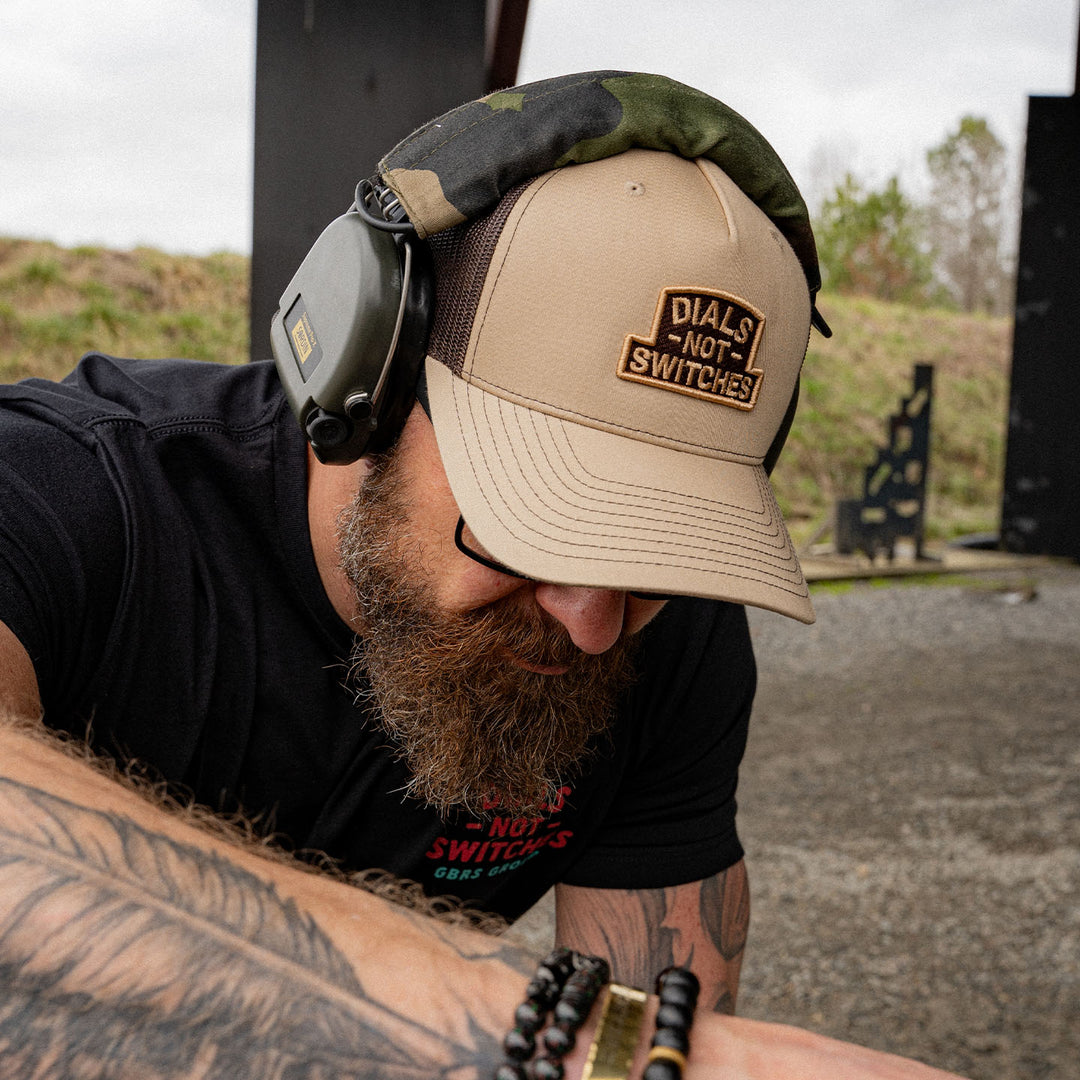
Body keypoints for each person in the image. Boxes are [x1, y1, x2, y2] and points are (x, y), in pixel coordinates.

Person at [0, 72, 964, 1078]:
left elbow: (655, 1004)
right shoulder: (63, 495)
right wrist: (537, 1041)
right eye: (533, 530)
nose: (593, 620)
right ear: (362, 383)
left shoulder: (661, 627)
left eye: (651, 552)